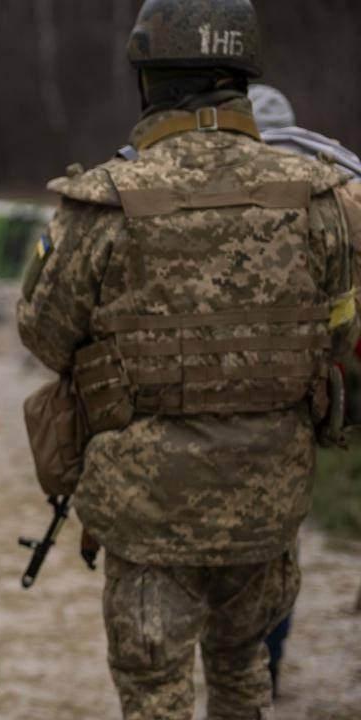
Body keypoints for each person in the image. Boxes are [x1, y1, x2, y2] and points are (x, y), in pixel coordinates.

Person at [15, 1, 361, 718]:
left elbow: (45, 336)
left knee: (153, 691)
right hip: (268, 504)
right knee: (242, 672)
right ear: (242, 78)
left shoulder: (105, 202)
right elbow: (337, 337)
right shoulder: (323, 197)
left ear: (148, 81)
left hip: (147, 513)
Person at [246, 82, 361, 698]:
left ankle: (240, 666)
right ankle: (266, 664)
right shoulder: (330, 193)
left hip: (216, 401)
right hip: (294, 406)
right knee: (277, 542)